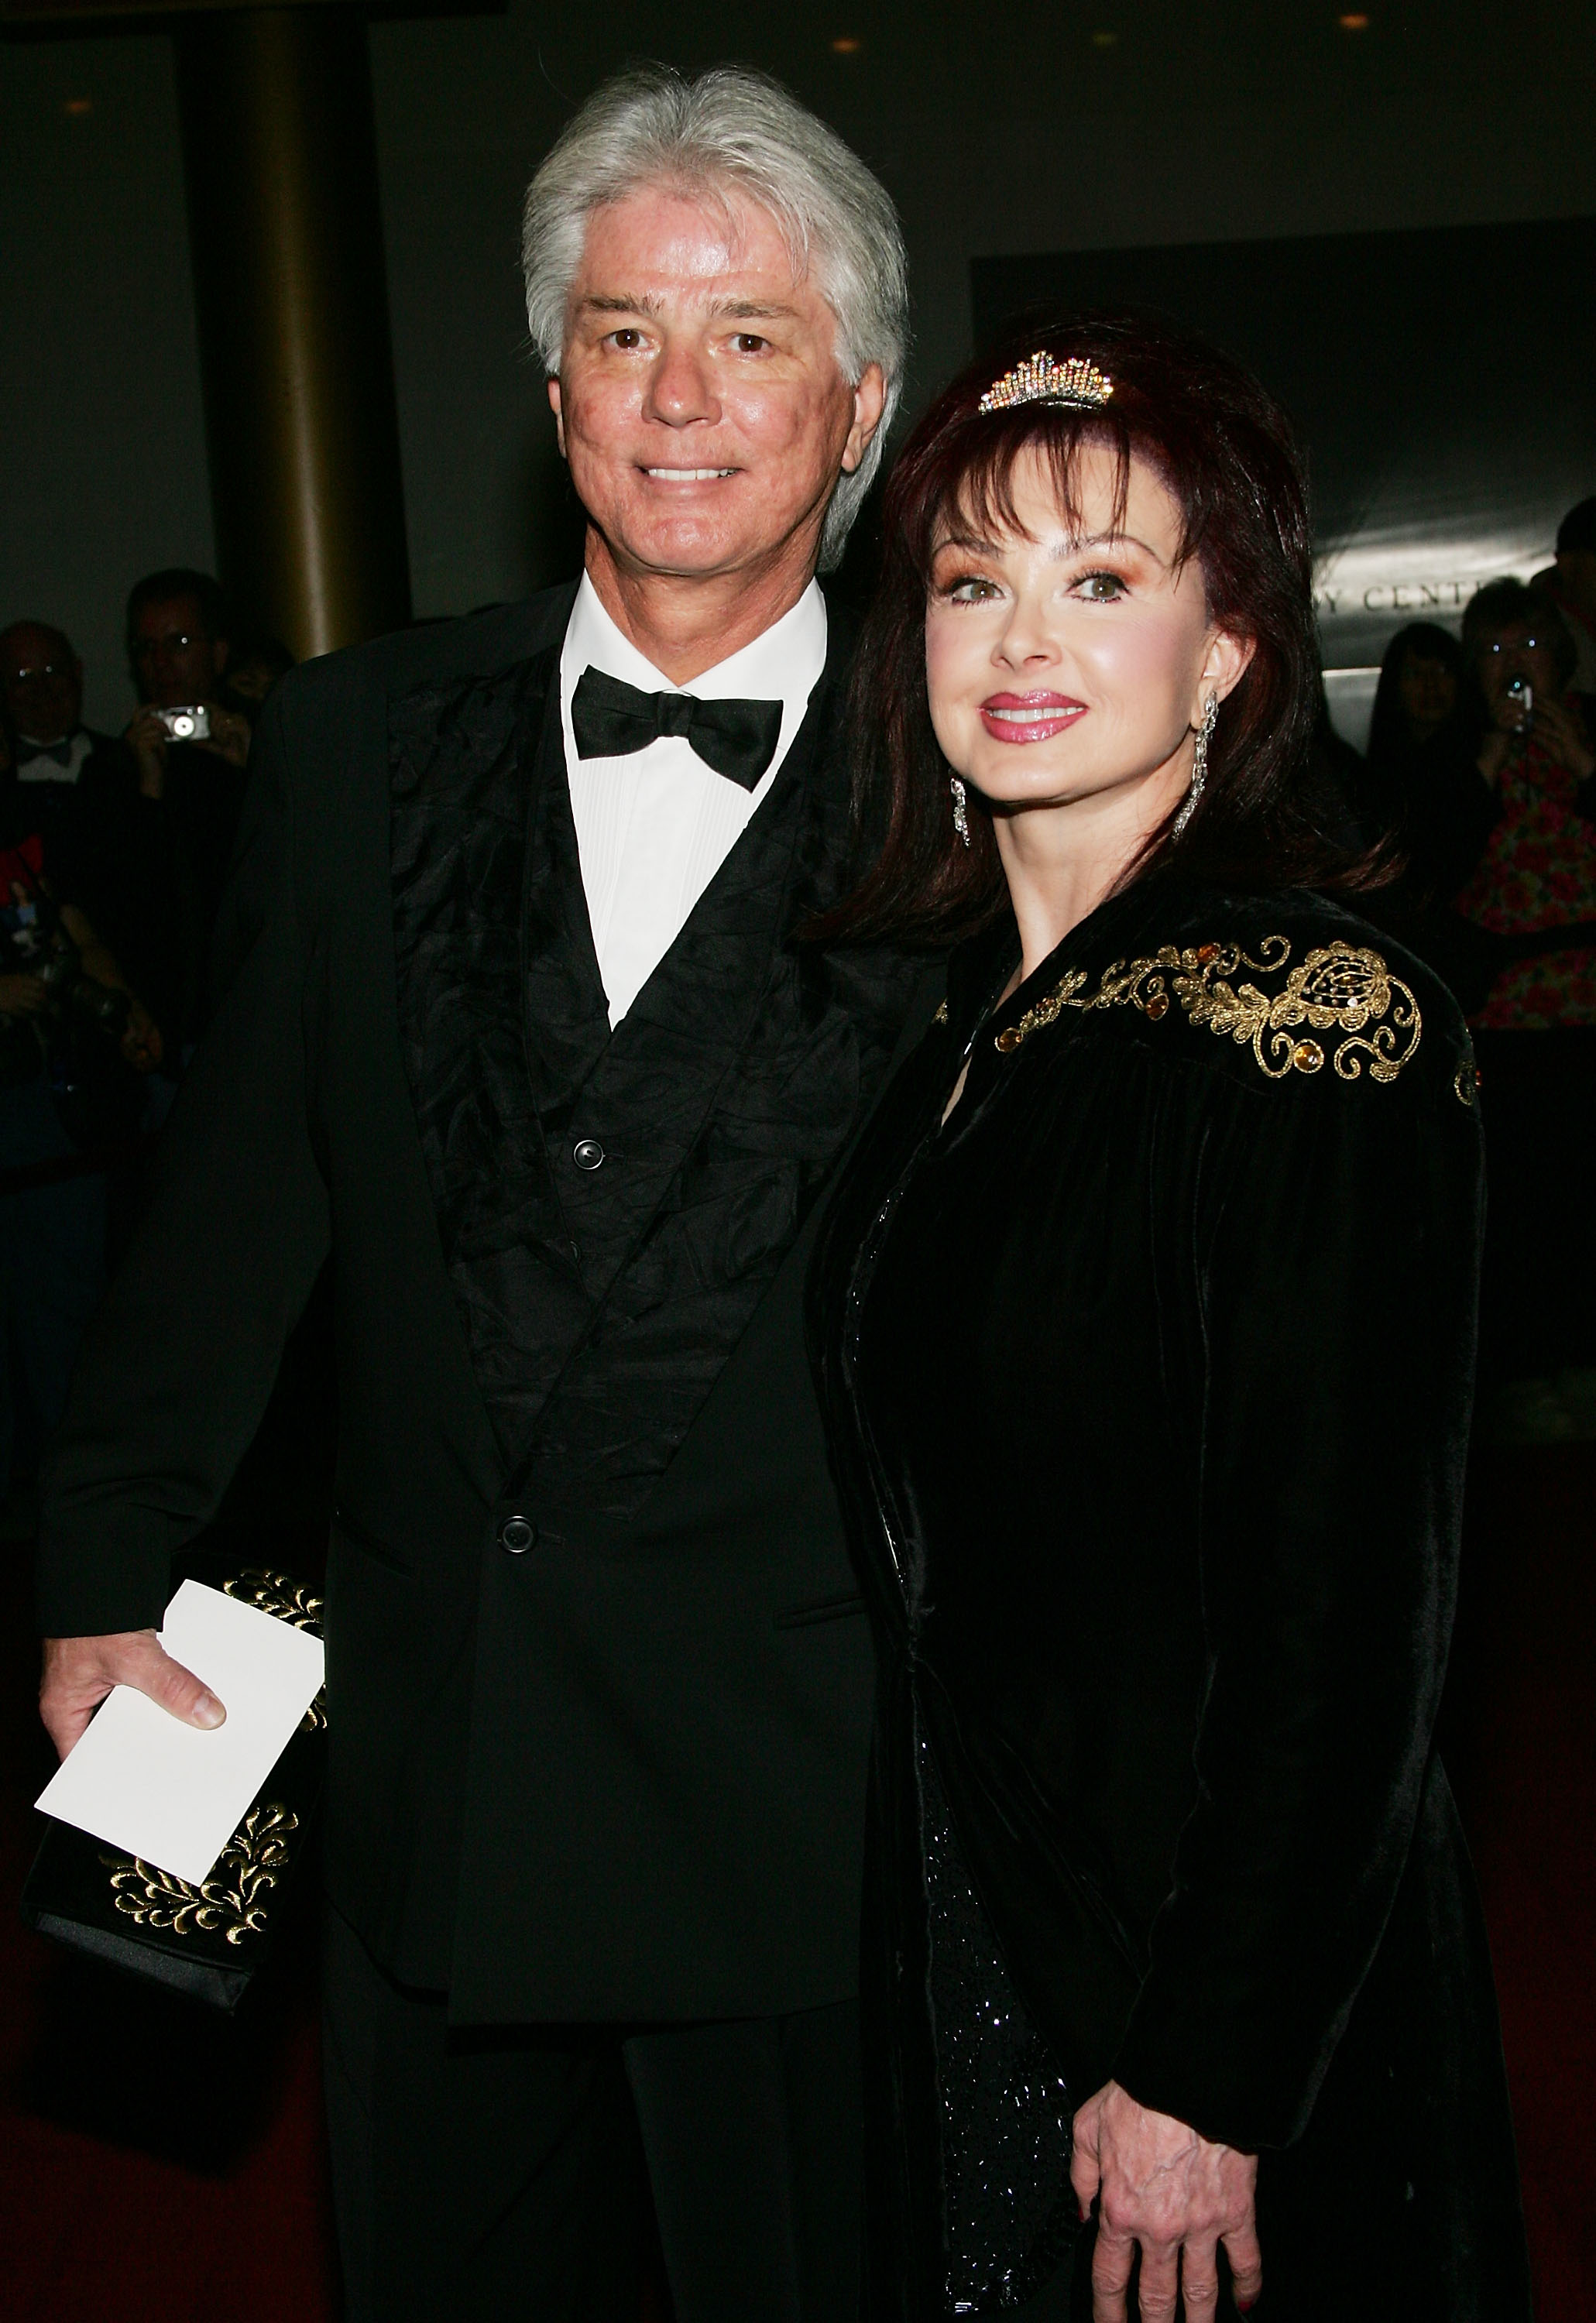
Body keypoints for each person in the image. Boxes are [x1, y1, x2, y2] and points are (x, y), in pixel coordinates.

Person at [38, 65, 928, 2323]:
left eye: (750, 335)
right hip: (445, 1762)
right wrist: (96, 1565)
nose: (684, 395)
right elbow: (238, 1202)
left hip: (808, 1799)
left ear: (862, 398)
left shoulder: (978, 771)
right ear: (556, 398)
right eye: (626, 333)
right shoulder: (358, 744)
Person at [806, 317, 1531, 2321]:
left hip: (1204, 1991)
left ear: (1226, 653)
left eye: (1098, 579)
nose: (1019, 637)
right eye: (971, 580)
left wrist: (1205, 2072)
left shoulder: (1317, 1029)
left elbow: (1347, 1634)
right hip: (977, 1920)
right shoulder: (959, 1027)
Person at [1448, 578, 1596, 1415]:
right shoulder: (1460, 747)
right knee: (1522, 1192)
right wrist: (1488, 761)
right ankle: (1526, 1361)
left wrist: (1584, 765)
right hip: (1503, 1006)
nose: (1514, 666)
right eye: (1496, 652)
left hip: (1587, 991)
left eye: (1527, 646)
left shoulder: (1590, 724)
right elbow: (1429, 862)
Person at [121, 568, 254, 1054]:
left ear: (218, 653)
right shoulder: (112, 769)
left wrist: (252, 775)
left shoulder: (259, 747)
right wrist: (147, 789)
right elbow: (122, 906)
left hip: (255, 1015)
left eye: (177, 643)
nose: (159, 663)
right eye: (144, 648)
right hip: (166, 1028)